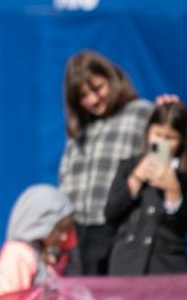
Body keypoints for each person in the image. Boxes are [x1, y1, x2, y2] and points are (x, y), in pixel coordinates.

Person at [58, 50, 153, 276]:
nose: (93, 100)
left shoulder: (141, 113)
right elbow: (66, 176)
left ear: (112, 80)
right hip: (79, 231)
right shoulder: (81, 127)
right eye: (83, 96)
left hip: (119, 228)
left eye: (97, 88)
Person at [104, 97, 187, 276]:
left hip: (167, 268)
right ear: (148, 132)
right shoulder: (129, 166)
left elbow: (185, 225)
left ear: (181, 140)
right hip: (127, 265)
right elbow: (111, 211)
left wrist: (173, 190)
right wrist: (136, 178)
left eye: (170, 138)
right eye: (157, 135)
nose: (162, 143)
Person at [0, 184, 76, 295]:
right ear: (39, 225)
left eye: (66, 230)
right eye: (59, 229)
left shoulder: (44, 252)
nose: (64, 237)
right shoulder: (18, 254)